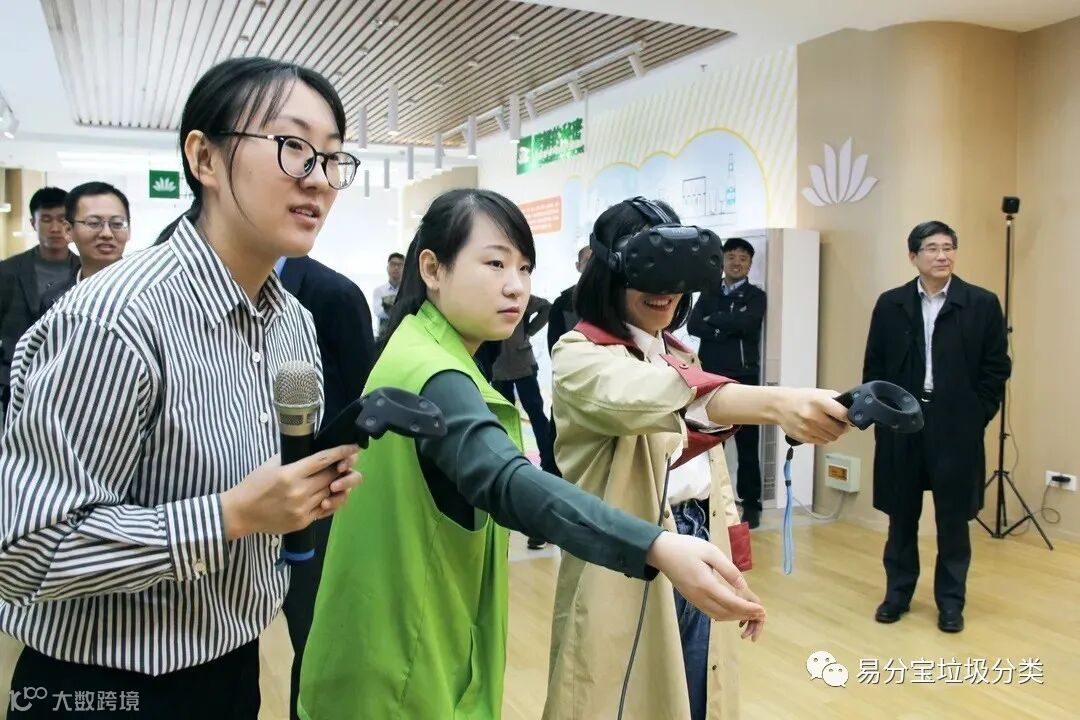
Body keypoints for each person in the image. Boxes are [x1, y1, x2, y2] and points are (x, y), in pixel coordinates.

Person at [298, 189, 771, 720]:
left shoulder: (421, 349)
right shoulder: (441, 373)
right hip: (403, 668)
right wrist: (657, 545)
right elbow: (510, 481)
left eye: (524, 268)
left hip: (399, 639)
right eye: (495, 263)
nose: (516, 286)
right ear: (432, 269)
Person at [0, 57, 363, 719]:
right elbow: (27, 550)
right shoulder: (115, 320)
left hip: (231, 665)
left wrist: (299, 495)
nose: (319, 179)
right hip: (99, 684)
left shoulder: (292, 322)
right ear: (204, 158)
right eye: (293, 146)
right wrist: (230, 516)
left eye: (333, 157)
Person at [544, 198, 849, 720]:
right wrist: (778, 403)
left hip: (699, 536)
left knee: (696, 691)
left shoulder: (682, 354)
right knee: (624, 695)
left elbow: (711, 473)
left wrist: (732, 559)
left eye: (678, 273)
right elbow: (651, 395)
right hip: (627, 551)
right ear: (610, 271)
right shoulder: (579, 354)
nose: (665, 290)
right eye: (648, 269)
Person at [863, 220, 1010, 634]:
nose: (942, 255)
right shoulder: (891, 304)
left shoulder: (981, 303)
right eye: (931, 248)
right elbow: (874, 365)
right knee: (901, 515)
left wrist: (977, 414)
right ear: (914, 256)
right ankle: (897, 595)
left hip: (956, 425)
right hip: (902, 423)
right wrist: (882, 414)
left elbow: (996, 368)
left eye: (948, 247)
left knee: (953, 520)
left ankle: (950, 602)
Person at [276, 253, 375, 719]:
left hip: (315, 498)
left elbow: (359, 396)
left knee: (313, 636)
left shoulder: (332, 293)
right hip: (232, 503)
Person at [687, 237, 767, 528]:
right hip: (709, 377)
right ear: (722, 261)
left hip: (743, 377)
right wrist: (727, 323)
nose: (736, 262)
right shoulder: (709, 291)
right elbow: (694, 324)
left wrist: (716, 322)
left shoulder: (756, 296)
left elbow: (748, 324)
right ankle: (710, 501)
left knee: (747, 446)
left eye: (743, 258)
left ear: (750, 264)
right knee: (708, 443)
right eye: (731, 256)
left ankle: (752, 505)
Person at [0, 186, 77, 418]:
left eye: (62, 219)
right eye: (46, 219)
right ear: (33, 223)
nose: (54, 228)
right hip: (15, 382)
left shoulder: (87, 271)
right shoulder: (7, 271)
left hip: (70, 381)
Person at [63, 181, 132, 285]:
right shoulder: (57, 294)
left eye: (117, 224)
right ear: (68, 230)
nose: (107, 234)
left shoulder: (150, 290)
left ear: (129, 230)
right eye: (94, 223)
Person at [371, 251, 404, 338]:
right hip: (384, 335)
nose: (396, 267)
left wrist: (388, 302)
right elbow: (378, 312)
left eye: (400, 265)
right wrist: (400, 306)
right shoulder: (379, 291)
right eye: (393, 264)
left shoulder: (408, 291)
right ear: (387, 268)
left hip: (403, 334)